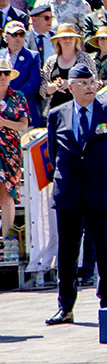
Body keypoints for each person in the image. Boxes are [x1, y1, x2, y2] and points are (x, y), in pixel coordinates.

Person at [44, 63, 107, 324]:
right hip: (69, 191)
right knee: (68, 253)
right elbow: (53, 153)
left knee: (106, 248)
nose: (89, 87)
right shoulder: (57, 114)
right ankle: (66, 306)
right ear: (70, 87)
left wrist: (104, 173)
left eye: (92, 82)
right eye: (82, 83)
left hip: (102, 189)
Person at [0, 53, 30, 238]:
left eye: (5, 73)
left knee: (7, 195)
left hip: (10, 151)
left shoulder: (17, 97)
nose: (2, 76)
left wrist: (3, 122)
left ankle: (8, 239)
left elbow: (23, 125)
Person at [40, 24, 96, 115]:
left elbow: (94, 83)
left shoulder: (85, 58)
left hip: (81, 110)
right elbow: (43, 89)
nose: (67, 40)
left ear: (76, 40)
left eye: (71, 37)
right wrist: (55, 86)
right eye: (64, 37)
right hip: (56, 111)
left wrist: (70, 84)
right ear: (58, 41)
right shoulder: (51, 61)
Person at [5, 21, 42, 127]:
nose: (18, 38)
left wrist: (11, 98)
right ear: (6, 37)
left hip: (25, 112)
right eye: (14, 34)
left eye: (22, 34)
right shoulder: (1, 55)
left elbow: (32, 84)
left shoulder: (33, 56)